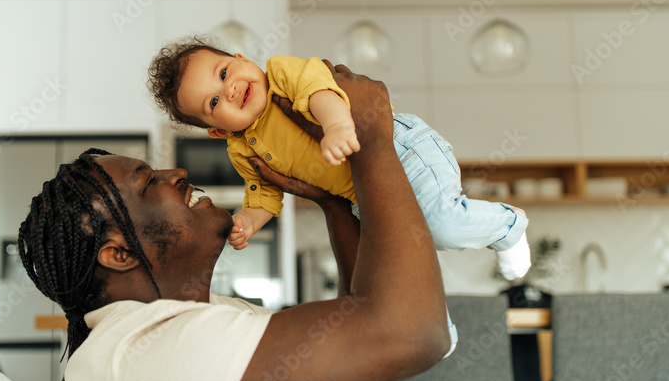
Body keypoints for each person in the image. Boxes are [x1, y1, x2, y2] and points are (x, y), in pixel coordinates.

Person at [18, 63, 451, 381]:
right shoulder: (151, 349)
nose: (177, 174)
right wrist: (372, 140)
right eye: (150, 183)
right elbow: (410, 332)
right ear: (120, 254)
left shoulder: (194, 322)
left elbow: (355, 338)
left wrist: (333, 201)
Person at [146, 36, 531, 281]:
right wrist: (247, 221)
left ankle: (507, 225)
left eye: (224, 71)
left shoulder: (280, 72)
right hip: (364, 194)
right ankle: (436, 332)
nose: (228, 90)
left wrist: (337, 127)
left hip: (402, 150)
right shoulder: (242, 149)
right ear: (219, 131)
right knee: (400, 261)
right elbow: (264, 195)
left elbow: (320, 90)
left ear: (243, 58)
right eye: (213, 102)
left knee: (443, 225)